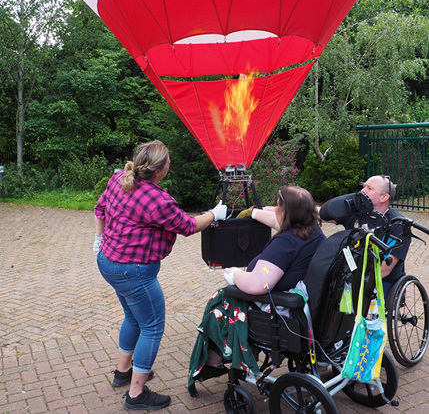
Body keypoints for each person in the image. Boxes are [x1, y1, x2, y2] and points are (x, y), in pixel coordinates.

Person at [93, 140, 227, 411]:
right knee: (152, 326)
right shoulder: (157, 199)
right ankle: (136, 394)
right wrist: (214, 214)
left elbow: (100, 210)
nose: (169, 165)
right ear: (158, 171)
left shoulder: (119, 178)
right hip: (134, 271)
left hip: (107, 261)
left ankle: (123, 374)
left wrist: (98, 239)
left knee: (133, 317)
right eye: (168, 162)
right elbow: (188, 226)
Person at [188, 185, 326, 395]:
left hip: (280, 311)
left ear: (286, 211)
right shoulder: (313, 231)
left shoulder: (286, 242)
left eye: (278, 205)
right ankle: (224, 356)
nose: (274, 209)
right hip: (309, 308)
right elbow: (276, 218)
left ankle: (215, 360)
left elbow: (257, 285)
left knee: (221, 299)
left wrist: (234, 274)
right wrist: (253, 212)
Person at [319, 175, 410, 295]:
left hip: (381, 280)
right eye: (364, 186)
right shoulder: (356, 213)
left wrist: (355, 282)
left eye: (369, 188)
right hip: (350, 272)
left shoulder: (398, 225)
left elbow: (385, 270)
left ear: (384, 197)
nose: (362, 191)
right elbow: (324, 214)